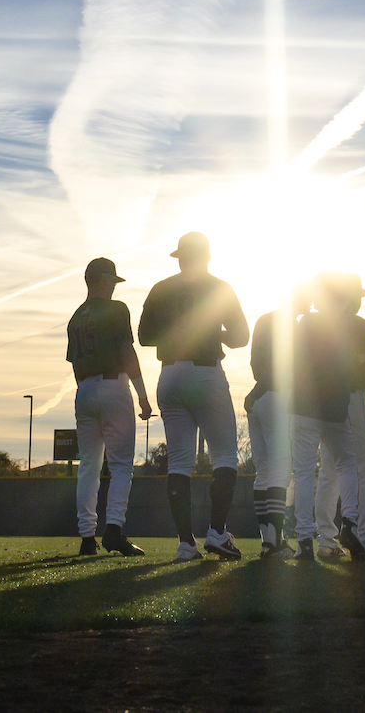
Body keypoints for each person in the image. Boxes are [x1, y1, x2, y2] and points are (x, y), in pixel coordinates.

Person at [137, 231, 249, 561]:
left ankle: (186, 543)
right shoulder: (219, 287)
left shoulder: (161, 288)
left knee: (180, 462)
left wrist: (177, 330)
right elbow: (241, 337)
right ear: (208, 257)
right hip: (205, 371)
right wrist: (214, 332)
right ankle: (216, 533)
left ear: (179, 257)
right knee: (225, 457)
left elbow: (144, 336)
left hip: (170, 374)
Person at [68, 257, 151, 558]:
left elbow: (75, 365)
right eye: (112, 282)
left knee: (88, 467)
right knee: (120, 465)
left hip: (84, 389)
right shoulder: (116, 309)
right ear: (103, 280)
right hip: (113, 385)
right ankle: (114, 529)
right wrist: (142, 394)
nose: (114, 288)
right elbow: (127, 351)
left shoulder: (76, 316)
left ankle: (87, 537)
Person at [292, 281, 365, 562]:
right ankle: (349, 522)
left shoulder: (304, 323)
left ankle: (305, 540)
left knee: (303, 472)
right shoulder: (347, 326)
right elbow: (353, 370)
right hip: (334, 405)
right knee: (347, 463)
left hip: (303, 404)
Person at [326, 273, 365, 556]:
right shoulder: (358, 324)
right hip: (351, 400)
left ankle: (325, 541)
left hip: (321, 404)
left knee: (329, 473)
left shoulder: (319, 324)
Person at [247, 287, 301, 561]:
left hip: (257, 397)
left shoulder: (264, 320)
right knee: (280, 470)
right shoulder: (294, 326)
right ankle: (274, 543)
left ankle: (268, 541)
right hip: (278, 396)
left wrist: (258, 389)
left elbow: (255, 362)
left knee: (264, 471)